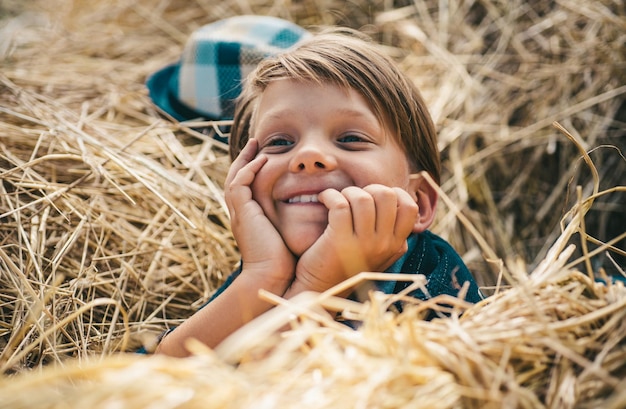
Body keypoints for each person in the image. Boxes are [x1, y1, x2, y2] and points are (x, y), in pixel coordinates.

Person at [155, 26, 482, 357]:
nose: (308, 156)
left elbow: (261, 391)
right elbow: (142, 380)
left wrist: (317, 287)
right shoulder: (265, 267)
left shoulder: (435, 293)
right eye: (280, 142)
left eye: (350, 138)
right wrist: (263, 275)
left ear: (419, 202)